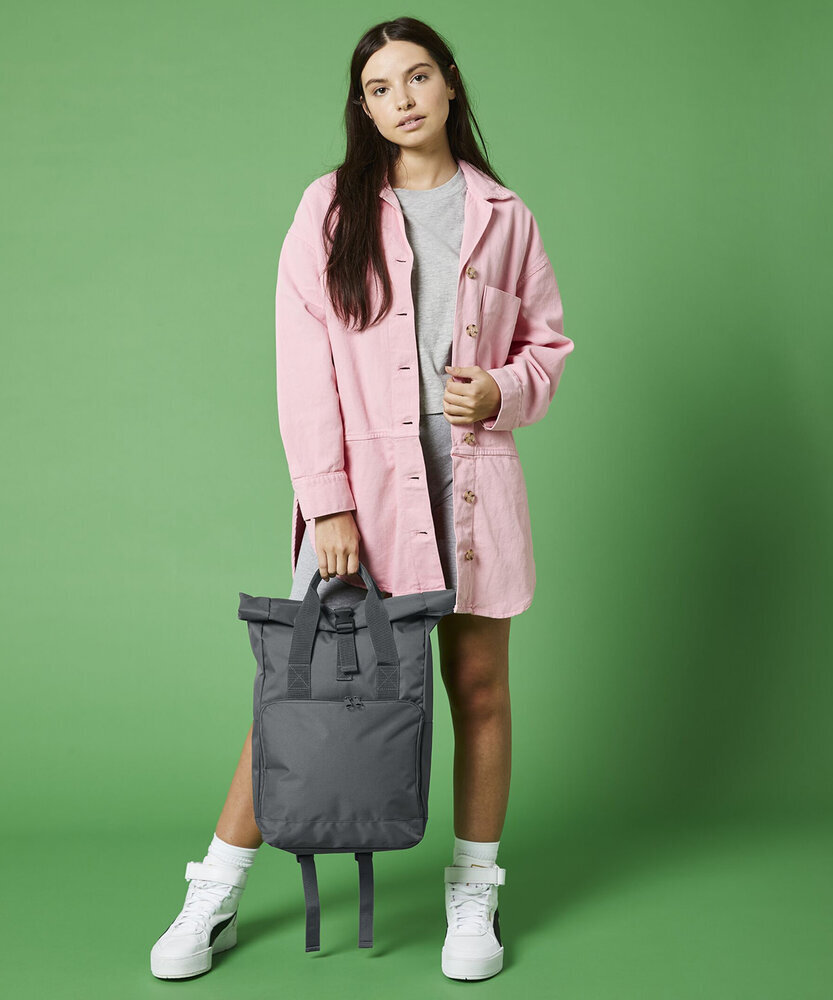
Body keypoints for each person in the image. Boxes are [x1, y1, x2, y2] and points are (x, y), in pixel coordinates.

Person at [150, 15, 574, 984]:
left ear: (450, 83)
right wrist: (327, 501)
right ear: (364, 108)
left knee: (479, 690)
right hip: (364, 492)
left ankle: (474, 890)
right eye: (379, 88)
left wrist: (500, 390)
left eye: (416, 77)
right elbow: (303, 368)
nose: (402, 99)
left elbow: (545, 347)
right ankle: (215, 890)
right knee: (301, 693)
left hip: (471, 483)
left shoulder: (504, 214)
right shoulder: (329, 209)